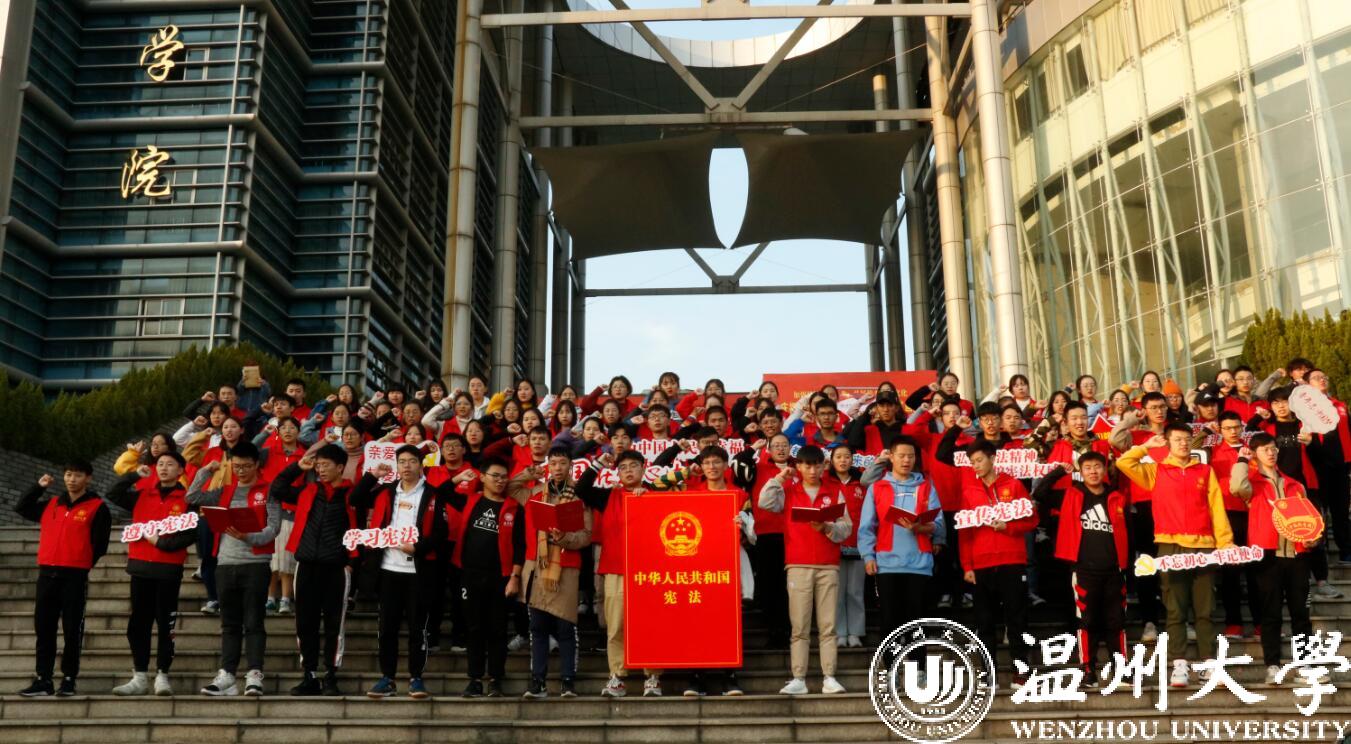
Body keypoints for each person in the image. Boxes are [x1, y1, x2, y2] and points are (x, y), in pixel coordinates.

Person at [1116, 423, 1234, 688]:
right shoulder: (1156, 471)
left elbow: (1216, 507)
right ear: (1168, 442)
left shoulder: (1205, 471)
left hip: (1204, 546)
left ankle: (1208, 664)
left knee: (1204, 609)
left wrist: (1225, 542)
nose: (1183, 443)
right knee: (1175, 608)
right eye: (1177, 439)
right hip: (1170, 546)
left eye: (1187, 439)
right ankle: (1179, 664)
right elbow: (1124, 463)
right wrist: (1145, 447)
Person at [936, 434, 1038, 688]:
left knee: (1016, 618)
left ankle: (1020, 671)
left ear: (993, 458)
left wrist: (1008, 527)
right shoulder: (969, 491)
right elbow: (965, 532)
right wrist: (967, 565)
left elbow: (1032, 520)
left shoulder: (1013, 485)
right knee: (984, 621)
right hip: (981, 564)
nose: (976, 466)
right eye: (972, 462)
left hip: (1011, 560)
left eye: (980, 460)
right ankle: (987, 673)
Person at [270, 444, 366, 696]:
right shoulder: (308, 491)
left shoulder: (353, 495)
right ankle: (309, 675)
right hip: (306, 565)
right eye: (318, 465)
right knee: (305, 622)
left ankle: (331, 675)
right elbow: (277, 488)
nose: (320, 469)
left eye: (326, 465)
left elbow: (359, 531)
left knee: (334, 624)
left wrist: (351, 564)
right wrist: (296, 468)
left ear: (340, 467)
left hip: (336, 567)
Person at [186, 443, 281, 697]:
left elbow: (273, 528)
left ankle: (254, 674)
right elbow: (192, 498)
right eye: (236, 466)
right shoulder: (225, 491)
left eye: (246, 466)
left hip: (256, 564)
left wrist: (247, 536)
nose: (241, 471)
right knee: (229, 624)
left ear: (256, 464)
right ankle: (227, 675)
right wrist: (205, 471)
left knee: (253, 621)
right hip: (225, 564)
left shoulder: (268, 491)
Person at [357, 445, 449, 699]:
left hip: (419, 571)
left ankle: (416, 678)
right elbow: (356, 499)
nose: (407, 466)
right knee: (387, 628)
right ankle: (387, 678)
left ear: (421, 465)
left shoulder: (432, 494)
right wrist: (372, 476)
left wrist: (417, 548)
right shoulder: (386, 491)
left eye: (412, 461)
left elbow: (441, 533)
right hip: (388, 569)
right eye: (402, 462)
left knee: (418, 628)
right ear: (396, 466)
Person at [758, 445, 852, 695]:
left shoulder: (835, 491)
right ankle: (798, 677)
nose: (812, 470)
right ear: (798, 466)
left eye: (817, 465)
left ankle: (829, 676)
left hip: (828, 564)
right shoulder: (789, 490)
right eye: (807, 465)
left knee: (828, 625)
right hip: (798, 564)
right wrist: (780, 477)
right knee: (799, 626)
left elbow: (846, 528)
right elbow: (764, 502)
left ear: (824, 466)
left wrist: (827, 528)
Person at [1030, 452, 1128, 688]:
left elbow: (1128, 532)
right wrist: (1060, 471)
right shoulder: (1070, 494)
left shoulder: (1116, 496)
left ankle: (1122, 671)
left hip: (1114, 570)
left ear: (1104, 469)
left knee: (1116, 622)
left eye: (1097, 466)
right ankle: (1087, 670)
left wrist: (1126, 564)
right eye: (1088, 467)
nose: (1093, 471)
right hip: (1084, 570)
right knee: (1087, 621)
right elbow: (1039, 493)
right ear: (1080, 471)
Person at [15, 462, 111, 697]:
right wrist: (38, 487)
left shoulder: (97, 507)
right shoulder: (52, 504)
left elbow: (100, 545)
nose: (72, 479)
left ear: (88, 478)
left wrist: (81, 562)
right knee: (44, 629)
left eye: (77, 475)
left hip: (74, 577)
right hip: (47, 575)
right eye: (68, 474)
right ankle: (43, 679)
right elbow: (22, 507)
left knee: (72, 629)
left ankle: (69, 679)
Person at [574, 449, 665, 697]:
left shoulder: (655, 495)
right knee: (615, 625)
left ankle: (653, 676)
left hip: (648, 571)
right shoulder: (609, 496)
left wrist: (649, 497)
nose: (628, 471)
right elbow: (581, 489)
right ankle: (617, 676)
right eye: (623, 467)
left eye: (633, 465)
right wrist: (598, 464)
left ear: (643, 469)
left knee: (649, 624)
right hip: (616, 569)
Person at [106, 452, 196, 696]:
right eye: (161, 464)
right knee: (138, 624)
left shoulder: (188, 499)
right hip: (140, 568)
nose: (164, 468)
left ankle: (162, 675)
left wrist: (161, 543)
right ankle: (139, 676)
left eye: (170, 464)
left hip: (168, 569)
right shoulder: (143, 494)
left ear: (181, 470)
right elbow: (113, 494)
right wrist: (134, 475)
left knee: (166, 624)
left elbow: (190, 534)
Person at [1229, 433, 1315, 686]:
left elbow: (1310, 519)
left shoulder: (1295, 485)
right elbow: (1236, 487)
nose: (1271, 452)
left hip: (1297, 555)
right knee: (1270, 614)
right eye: (1265, 449)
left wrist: (1313, 539)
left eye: (1273, 448)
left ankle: (1305, 664)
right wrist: (1242, 460)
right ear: (1255, 454)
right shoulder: (1252, 484)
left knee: (1301, 614)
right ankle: (1272, 665)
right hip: (1267, 556)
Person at [507, 446, 592, 699]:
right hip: (538, 567)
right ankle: (538, 681)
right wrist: (528, 473)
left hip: (566, 568)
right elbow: (510, 488)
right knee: (537, 627)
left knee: (566, 627)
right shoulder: (536, 493)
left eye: (562, 463)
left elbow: (586, 536)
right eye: (553, 463)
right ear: (548, 466)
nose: (557, 468)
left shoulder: (579, 495)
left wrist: (564, 537)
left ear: (570, 466)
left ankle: (568, 681)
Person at [444, 458, 525, 698]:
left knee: (498, 629)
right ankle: (475, 679)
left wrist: (515, 577)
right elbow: (442, 493)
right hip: (470, 575)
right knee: (474, 628)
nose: (500, 481)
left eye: (504, 477)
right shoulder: (471, 500)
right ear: (482, 477)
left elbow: (520, 546)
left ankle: (496, 679)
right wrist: (459, 478)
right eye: (495, 476)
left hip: (501, 578)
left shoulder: (514, 508)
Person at [858, 436, 944, 647]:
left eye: (911, 456)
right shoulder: (877, 488)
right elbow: (867, 526)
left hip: (919, 563)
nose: (906, 460)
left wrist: (920, 528)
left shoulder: (926, 487)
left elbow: (939, 523)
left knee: (918, 623)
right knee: (889, 621)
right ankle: (890, 664)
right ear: (891, 457)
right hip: (887, 563)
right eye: (902, 456)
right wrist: (868, 556)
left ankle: (918, 665)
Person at [825, 443, 867, 648]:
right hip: (833, 543)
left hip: (858, 543)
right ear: (831, 460)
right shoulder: (826, 482)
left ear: (853, 460)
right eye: (838, 457)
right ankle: (840, 632)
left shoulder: (862, 483)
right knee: (837, 591)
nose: (843, 460)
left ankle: (856, 633)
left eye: (847, 457)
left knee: (855, 591)